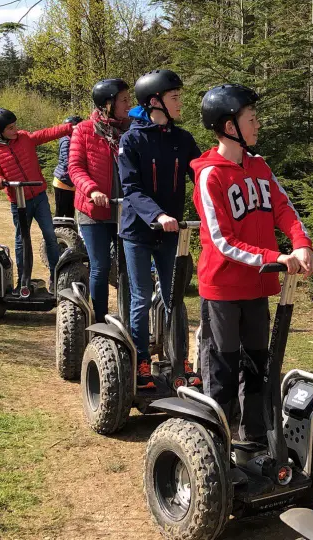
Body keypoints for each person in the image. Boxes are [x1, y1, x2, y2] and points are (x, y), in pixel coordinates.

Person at [192, 84, 313, 442]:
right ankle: (212, 441)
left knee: (259, 365)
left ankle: (254, 440)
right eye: (252, 119)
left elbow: (283, 209)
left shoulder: (260, 167)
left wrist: (301, 243)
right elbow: (221, 241)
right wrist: (275, 257)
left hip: (257, 287)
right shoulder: (210, 175)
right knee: (224, 366)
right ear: (230, 126)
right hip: (223, 289)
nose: (257, 124)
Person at [119, 69, 202, 390]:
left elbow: (201, 177)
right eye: (175, 98)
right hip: (138, 232)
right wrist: (157, 215)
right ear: (155, 102)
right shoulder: (133, 140)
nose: (181, 103)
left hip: (171, 233)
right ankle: (141, 359)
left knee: (174, 298)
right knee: (140, 298)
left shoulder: (183, 140)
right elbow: (131, 188)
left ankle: (179, 360)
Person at [0, 108, 74, 289]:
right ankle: (23, 280)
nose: (15, 130)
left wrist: (69, 128)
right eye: (10, 128)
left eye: (15, 126)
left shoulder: (24, 138)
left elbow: (46, 134)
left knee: (50, 234)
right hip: (19, 201)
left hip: (39, 197)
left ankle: (56, 278)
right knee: (22, 240)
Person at [68, 80, 132, 323]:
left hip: (125, 209)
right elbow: (75, 168)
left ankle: (128, 319)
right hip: (94, 210)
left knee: (128, 267)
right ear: (108, 103)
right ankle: (100, 320)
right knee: (101, 265)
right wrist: (92, 190)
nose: (129, 104)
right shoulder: (84, 130)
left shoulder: (130, 130)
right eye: (124, 100)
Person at [53, 115, 83, 218]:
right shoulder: (66, 140)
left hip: (71, 182)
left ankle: (69, 233)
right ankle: (56, 234)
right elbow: (68, 162)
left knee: (70, 213)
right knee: (60, 214)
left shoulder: (73, 139)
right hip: (63, 181)